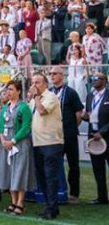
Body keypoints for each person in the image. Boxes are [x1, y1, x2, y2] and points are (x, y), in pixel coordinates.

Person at [0, 80, 36, 216]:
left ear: (19, 91)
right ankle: (13, 201)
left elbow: (26, 127)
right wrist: (2, 139)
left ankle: (20, 202)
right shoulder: (5, 108)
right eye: (7, 89)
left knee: (19, 172)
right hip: (6, 144)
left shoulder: (24, 107)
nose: (8, 92)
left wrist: (13, 141)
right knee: (9, 172)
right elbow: (0, 125)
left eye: (11, 89)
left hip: (19, 144)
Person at [30, 72, 64, 220]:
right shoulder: (33, 100)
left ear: (45, 84)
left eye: (37, 82)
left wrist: (36, 97)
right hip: (37, 142)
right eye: (33, 82)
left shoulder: (51, 96)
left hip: (51, 142)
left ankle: (51, 208)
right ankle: (50, 206)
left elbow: (42, 111)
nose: (34, 85)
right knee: (42, 176)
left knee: (50, 176)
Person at [50, 65, 84, 203]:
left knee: (73, 164)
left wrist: (70, 127)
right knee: (55, 164)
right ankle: (58, 192)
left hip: (68, 134)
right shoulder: (50, 92)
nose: (51, 76)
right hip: (54, 135)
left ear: (61, 76)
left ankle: (74, 194)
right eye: (50, 74)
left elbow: (78, 114)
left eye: (54, 73)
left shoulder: (70, 92)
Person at [83, 71, 109, 205]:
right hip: (93, 138)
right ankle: (102, 197)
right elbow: (90, 115)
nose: (93, 80)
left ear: (104, 80)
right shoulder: (89, 96)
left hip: (107, 137)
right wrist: (85, 117)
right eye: (91, 78)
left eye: (96, 78)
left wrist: (103, 132)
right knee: (98, 169)